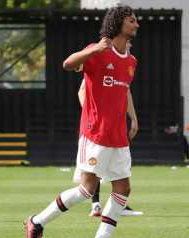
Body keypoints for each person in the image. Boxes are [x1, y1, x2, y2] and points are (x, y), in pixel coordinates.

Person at [24, 5, 140, 238]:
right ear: (118, 23)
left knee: (123, 187)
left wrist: (133, 119)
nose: (136, 24)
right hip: (95, 133)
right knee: (87, 190)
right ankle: (37, 222)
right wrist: (95, 49)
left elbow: (124, 91)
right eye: (131, 21)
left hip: (118, 136)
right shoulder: (97, 51)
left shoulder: (131, 61)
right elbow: (67, 64)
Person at [78, 77, 143, 217]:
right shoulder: (100, 60)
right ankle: (95, 204)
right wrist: (92, 115)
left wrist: (134, 118)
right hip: (98, 128)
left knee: (120, 167)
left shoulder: (126, 62)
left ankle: (120, 205)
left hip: (117, 125)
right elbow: (81, 91)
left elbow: (126, 91)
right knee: (93, 172)